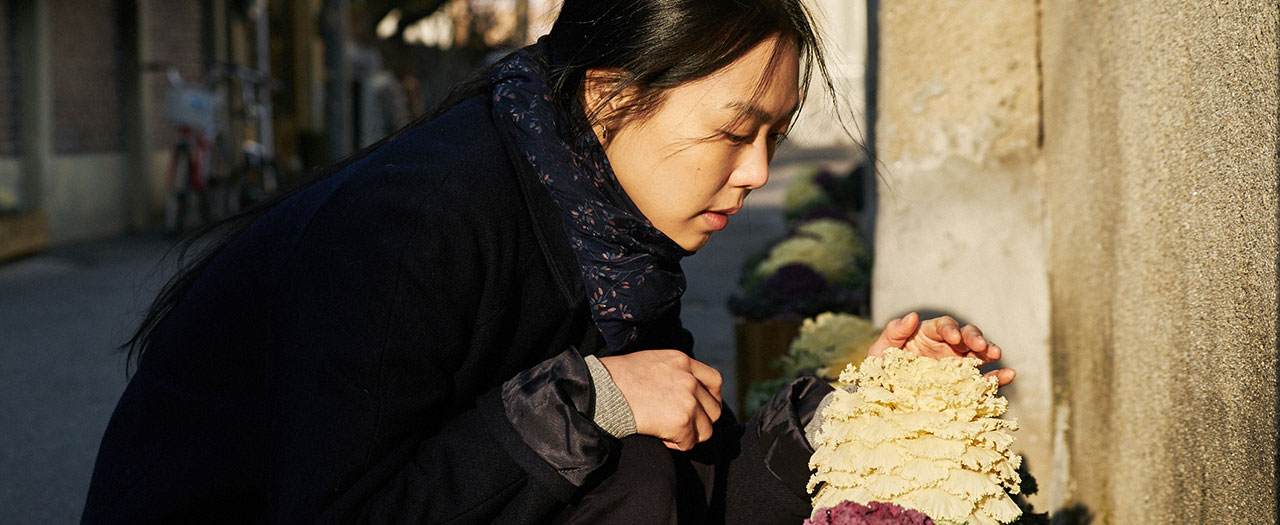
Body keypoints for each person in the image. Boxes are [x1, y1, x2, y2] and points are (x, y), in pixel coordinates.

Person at [83, 1, 1015, 523]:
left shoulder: (609, 235)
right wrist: (592, 398)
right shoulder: (418, 227)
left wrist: (860, 412)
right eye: (735, 132)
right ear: (611, 92)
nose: (758, 172)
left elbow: (703, 479)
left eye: (775, 134)